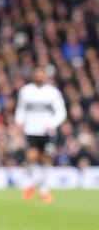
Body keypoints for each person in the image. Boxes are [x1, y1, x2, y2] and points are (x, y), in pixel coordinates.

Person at [14, 66, 67, 203]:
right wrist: (19, 123)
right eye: (37, 73)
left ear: (45, 75)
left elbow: (61, 112)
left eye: (41, 73)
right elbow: (21, 109)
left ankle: (44, 190)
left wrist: (52, 124)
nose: (39, 76)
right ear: (33, 75)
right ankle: (33, 183)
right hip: (31, 130)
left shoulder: (52, 92)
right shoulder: (26, 91)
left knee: (45, 160)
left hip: (47, 131)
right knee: (31, 157)